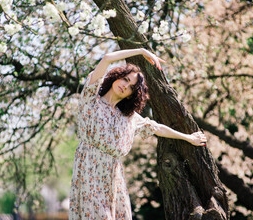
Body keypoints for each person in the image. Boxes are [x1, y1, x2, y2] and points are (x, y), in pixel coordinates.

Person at [69, 48, 207, 220]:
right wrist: (142, 51)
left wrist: (188, 138)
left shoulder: (128, 118)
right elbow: (107, 58)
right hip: (89, 170)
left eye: (131, 87)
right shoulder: (91, 98)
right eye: (125, 79)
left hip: (114, 177)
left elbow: (157, 128)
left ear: (131, 95)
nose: (125, 86)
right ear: (116, 77)